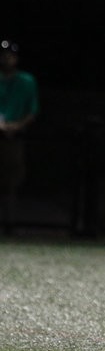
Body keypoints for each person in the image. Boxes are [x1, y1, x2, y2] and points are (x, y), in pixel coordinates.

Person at [0, 39, 39, 234]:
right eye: (4, 55)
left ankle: (10, 223)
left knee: (12, 181)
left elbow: (32, 110)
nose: (7, 59)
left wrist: (16, 126)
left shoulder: (27, 81)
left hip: (15, 138)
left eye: (11, 56)